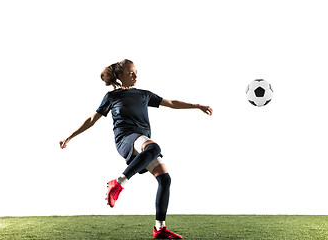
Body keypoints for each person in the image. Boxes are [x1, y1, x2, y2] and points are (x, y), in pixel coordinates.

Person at [60, 59, 213, 239]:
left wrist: (197, 106)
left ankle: (160, 229)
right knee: (154, 147)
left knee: (165, 179)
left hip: (142, 140)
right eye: (130, 72)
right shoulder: (112, 97)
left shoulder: (143, 94)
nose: (135, 75)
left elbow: (171, 102)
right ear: (119, 76)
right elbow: (92, 120)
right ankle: (118, 183)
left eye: (136, 71)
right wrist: (70, 136)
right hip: (126, 138)